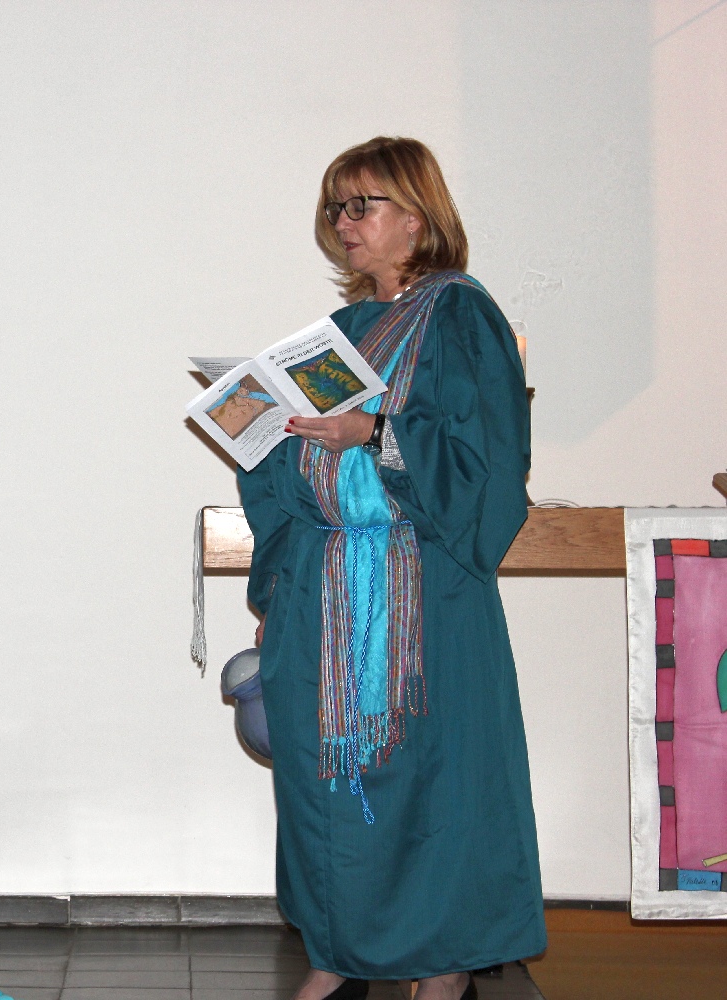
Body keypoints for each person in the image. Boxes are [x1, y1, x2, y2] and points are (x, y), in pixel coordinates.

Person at [235, 138, 546, 1000]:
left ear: (416, 215)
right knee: (322, 782)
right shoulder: (337, 336)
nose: (344, 223)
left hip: (424, 592)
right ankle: (337, 955)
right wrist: (261, 432)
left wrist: (373, 433)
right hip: (322, 586)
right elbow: (295, 471)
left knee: (430, 785)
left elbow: (488, 463)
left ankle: (442, 970)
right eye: (335, 207)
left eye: (361, 204)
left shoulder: (460, 316)